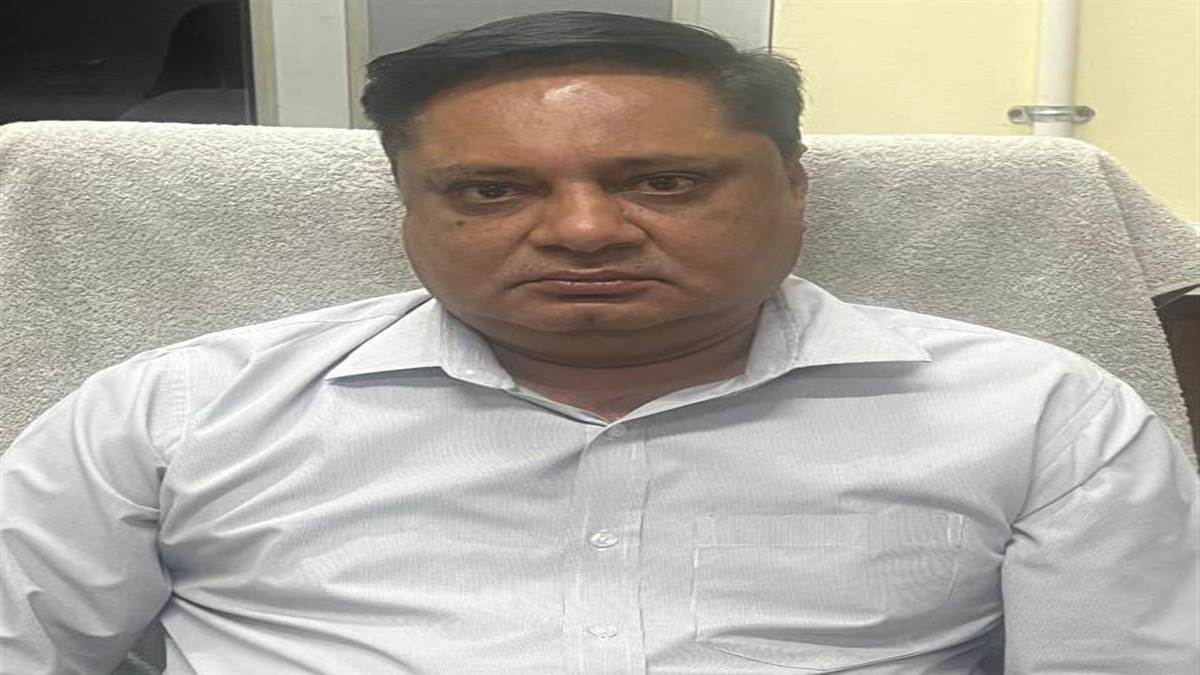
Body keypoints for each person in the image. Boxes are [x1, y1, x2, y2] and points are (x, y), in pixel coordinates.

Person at [1, 11, 1196, 675]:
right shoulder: (178, 412)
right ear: (409, 208)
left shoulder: (1036, 415)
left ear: (792, 183)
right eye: (490, 192)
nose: (583, 231)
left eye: (663, 181)